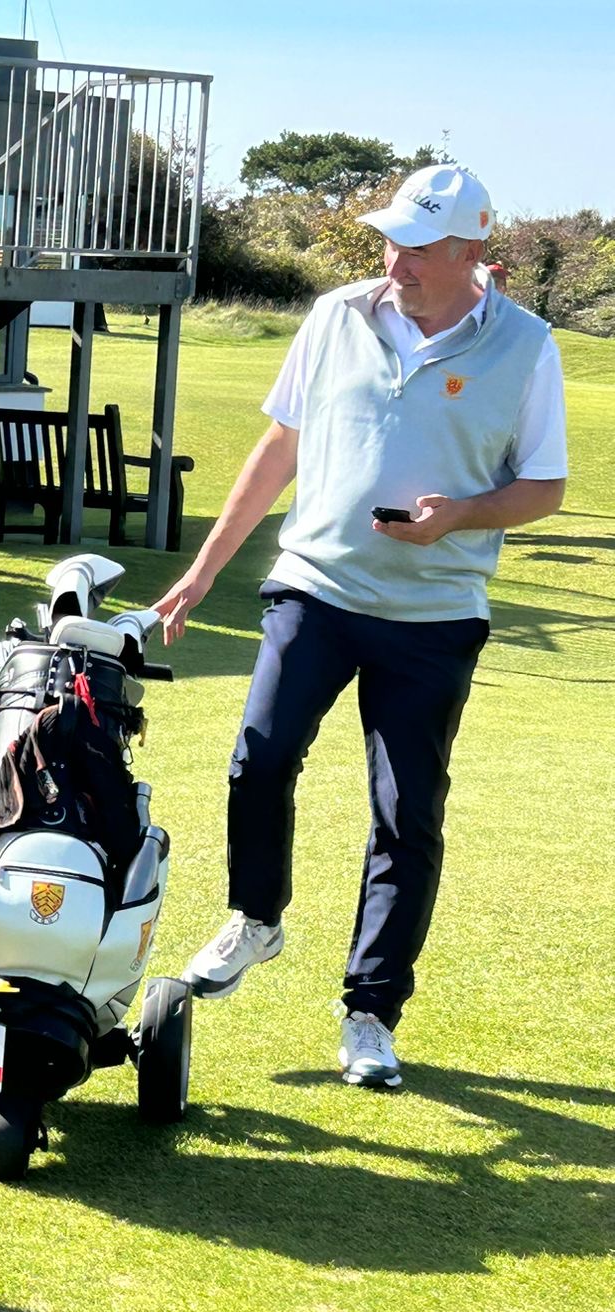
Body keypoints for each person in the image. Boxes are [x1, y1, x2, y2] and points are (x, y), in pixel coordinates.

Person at [158, 164, 566, 1089]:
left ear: (471, 252)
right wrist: (202, 571)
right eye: (390, 241)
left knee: (405, 813)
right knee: (260, 758)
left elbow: (544, 485)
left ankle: (371, 1012)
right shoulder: (337, 315)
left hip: (434, 615)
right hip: (315, 588)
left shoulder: (526, 345)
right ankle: (257, 918)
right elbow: (280, 447)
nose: (395, 261)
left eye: (418, 247)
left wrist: (460, 517)